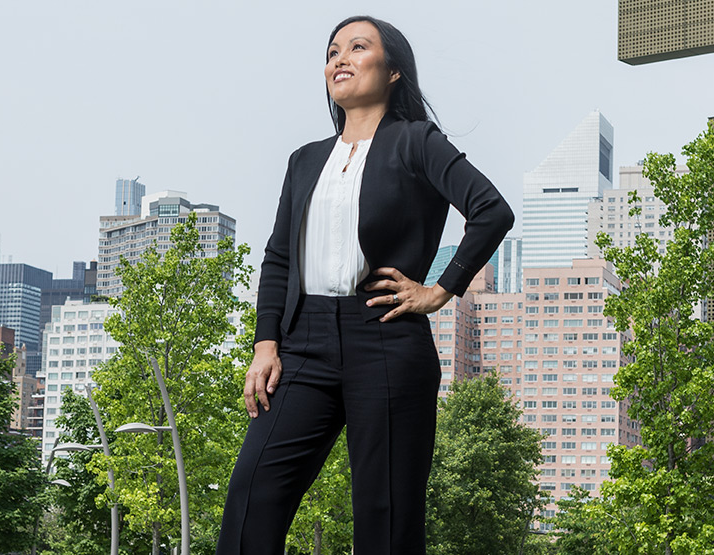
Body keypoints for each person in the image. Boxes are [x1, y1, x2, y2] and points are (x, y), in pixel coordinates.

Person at [216, 15, 514, 555]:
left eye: (357, 47)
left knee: (387, 517)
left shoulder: (417, 142)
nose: (340, 59)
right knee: (251, 498)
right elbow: (280, 257)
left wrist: (439, 290)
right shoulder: (304, 160)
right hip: (301, 345)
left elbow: (491, 211)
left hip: (386, 337)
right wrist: (265, 344)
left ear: (394, 70)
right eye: (332, 51)